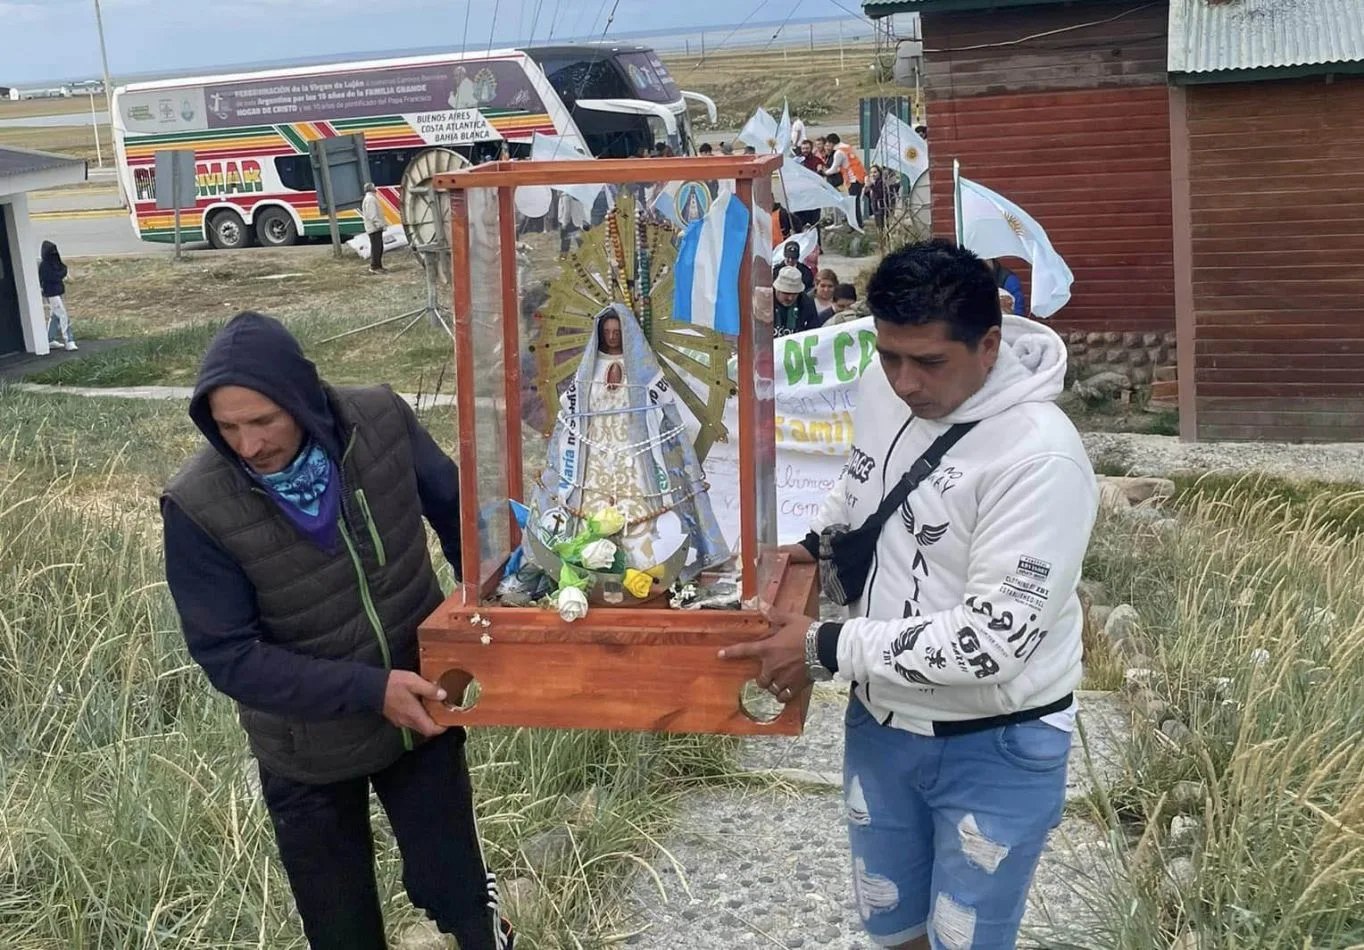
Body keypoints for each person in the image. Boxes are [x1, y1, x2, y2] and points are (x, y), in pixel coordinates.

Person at [723, 240, 1098, 950]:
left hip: (997, 744)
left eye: (928, 362)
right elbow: (863, 482)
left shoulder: (1039, 458)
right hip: (882, 723)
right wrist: (813, 543)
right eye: (888, 355)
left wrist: (821, 645)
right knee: (893, 931)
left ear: (988, 344)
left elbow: (990, 642)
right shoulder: (881, 383)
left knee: (967, 940)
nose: (903, 382)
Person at [161, 312, 515, 950]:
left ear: (303, 396)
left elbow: (462, 519)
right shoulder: (197, 505)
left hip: (421, 717)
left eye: (263, 420)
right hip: (304, 749)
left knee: (454, 886)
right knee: (340, 925)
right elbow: (229, 658)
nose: (248, 445)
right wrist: (368, 689)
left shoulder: (379, 420)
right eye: (227, 426)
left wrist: (482, 619)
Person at [38, 240, 76, 351]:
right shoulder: (44, 266)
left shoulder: (56, 262)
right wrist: (60, 274)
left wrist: (60, 274)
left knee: (54, 316)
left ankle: (49, 339)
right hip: (51, 293)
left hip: (59, 291)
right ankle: (69, 340)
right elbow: (53, 276)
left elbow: (63, 269)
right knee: (63, 315)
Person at [772, 266, 823, 337]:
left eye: (795, 293)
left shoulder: (806, 302)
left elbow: (814, 330)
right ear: (777, 289)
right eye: (786, 293)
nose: (790, 298)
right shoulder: (765, 301)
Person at [361, 183, 386, 275]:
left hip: (374, 227)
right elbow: (372, 214)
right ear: (371, 189)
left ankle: (378, 266)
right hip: (374, 228)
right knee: (376, 248)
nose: (376, 188)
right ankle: (374, 267)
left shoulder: (371, 198)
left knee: (379, 247)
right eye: (374, 186)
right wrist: (379, 224)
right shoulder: (370, 199)